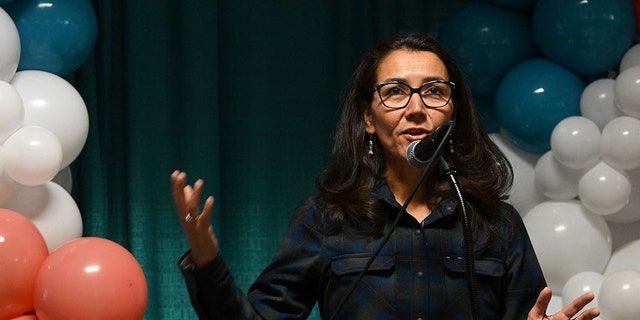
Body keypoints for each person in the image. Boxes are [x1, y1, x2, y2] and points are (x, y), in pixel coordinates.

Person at [171, 33, 600, 319]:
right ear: (368, 119)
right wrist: (206, 260)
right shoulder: (327, 219)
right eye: (395, 91)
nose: (416, 107)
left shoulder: (497, 224)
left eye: (434, 91)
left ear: (454, 113)